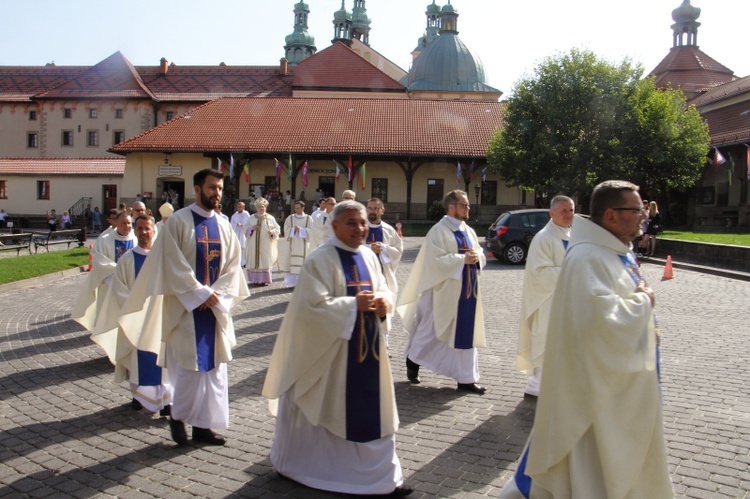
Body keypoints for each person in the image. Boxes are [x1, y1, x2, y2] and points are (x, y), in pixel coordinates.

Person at [499, 180, 671, 498]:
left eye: (643, 209)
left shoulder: (616, 253)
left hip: (614, 388)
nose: (643, 216)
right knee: (586, 473)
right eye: (636, 210)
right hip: (592, 397)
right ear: (611, 215)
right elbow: (599, 324)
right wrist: (643, 302)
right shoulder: (588, 258)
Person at [262, 200, 412, 497]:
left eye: (363, 223)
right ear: (334, 227)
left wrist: (384, 305)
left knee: (374, 410)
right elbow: (309, 309)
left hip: (366, 351)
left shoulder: (369, 257)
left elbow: (382, 288)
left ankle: (382, 477)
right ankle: (304, 467)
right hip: (329, 358)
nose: (360, 229)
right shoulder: (319, 260)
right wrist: (351, 305)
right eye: (352, 223)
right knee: (328, 409)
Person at [118, 169, 249, 447]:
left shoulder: (224, 225)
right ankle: (178, 417)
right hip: (185, 310)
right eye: (212, 187)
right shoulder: (178, 222)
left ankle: (204, 427)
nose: (217, 193)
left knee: (214, 373)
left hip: (214, 310)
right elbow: (171, 262)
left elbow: (233, 265)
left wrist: (217, 295)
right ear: (197, 188)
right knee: (188, 371)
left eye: (221, 188)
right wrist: (199, 293)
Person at [396, 190, 488, 394]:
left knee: (466, 333)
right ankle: (413, 360)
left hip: (467, 292)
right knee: (432, 332)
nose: (468, 208)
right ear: (451, 207)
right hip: (441, 292)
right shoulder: (439, 231)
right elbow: (434, 261)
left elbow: (480, 253)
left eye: (468, 204)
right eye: (464, 205)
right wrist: (461, 259)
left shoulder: (469, 231)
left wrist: (476, 256)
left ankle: (466, 379)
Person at [92, 215, 173, 416]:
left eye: (147, 228)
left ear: (154, 231)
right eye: (140, 228)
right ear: (135, 232)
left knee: (163, 360)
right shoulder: (127, 259)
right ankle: (138, 397)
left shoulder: (163, 258)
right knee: (139, 358)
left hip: (160, 319)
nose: (143, 232)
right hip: (136, 319)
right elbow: (119, 290)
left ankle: (166, 401)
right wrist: (138, 308)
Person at [516, 195, 574, 397]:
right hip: (547, 302)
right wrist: (572, 272)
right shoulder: (544, 238)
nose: (569, 215)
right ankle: (536, 387)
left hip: (568, 302)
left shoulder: (572, 236)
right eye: (564, 211)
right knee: (547, 342)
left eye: (571, 210)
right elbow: (540, 273)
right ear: (552, 213)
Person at [71, 210, 136, 331]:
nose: (127, 226)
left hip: (132, 283)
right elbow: (99, 261)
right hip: (110, 284)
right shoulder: (105, 239)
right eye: (123, 223)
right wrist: (120, 272)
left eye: (129, 223)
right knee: (110, 316)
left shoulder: (137, 238)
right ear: (116, 223)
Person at [365, 197, 403, 336]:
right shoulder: (360, 227)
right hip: (364, 276)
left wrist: (384, 248)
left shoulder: (388, 230)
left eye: (376, 208)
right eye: (369, 208)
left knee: (382, 309)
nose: (372, 211)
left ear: (382, 211)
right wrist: (369, 248)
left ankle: (384, 343)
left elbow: (398, 249)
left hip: (382, 276)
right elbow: (352, 247)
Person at [242, 197, 280, 286]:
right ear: (256, 208)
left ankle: (265, 279)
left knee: (265, 259)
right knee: (254, 259)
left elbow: (277, 228)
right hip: (253, 244)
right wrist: (251, 228)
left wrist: (272, 232)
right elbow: (244, 228)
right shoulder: (252, 218)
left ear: (265, 207)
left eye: (263, 207)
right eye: (259, 207)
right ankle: (255, 280)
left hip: (266, 243)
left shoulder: (270, 218)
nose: (261, 208)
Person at [281, 201, 313, 287]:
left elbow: (312, 231)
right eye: (295, 208)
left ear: (303, 208)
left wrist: (302, 230)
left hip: (304, 245)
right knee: (291, 261)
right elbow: (286, 230)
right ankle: (292, 283)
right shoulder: (290, 218)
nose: (296, 210)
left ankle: (302, 283)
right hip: (293, 244)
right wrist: (293, 230)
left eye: (298, 208)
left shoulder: (308, 218)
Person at [230, 201, 251, 266]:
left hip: (244, 234)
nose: (238, 208)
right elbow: (232, 224)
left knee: (245, 248)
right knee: (238, 247)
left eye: (240, 207)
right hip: (237, 233)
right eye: (238, 207)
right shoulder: (234, 215)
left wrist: (242, 225)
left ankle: (245, 262)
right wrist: (236, 224)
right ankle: (240, 262)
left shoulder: (246, 214)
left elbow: (249, 223)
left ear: (243, 207)